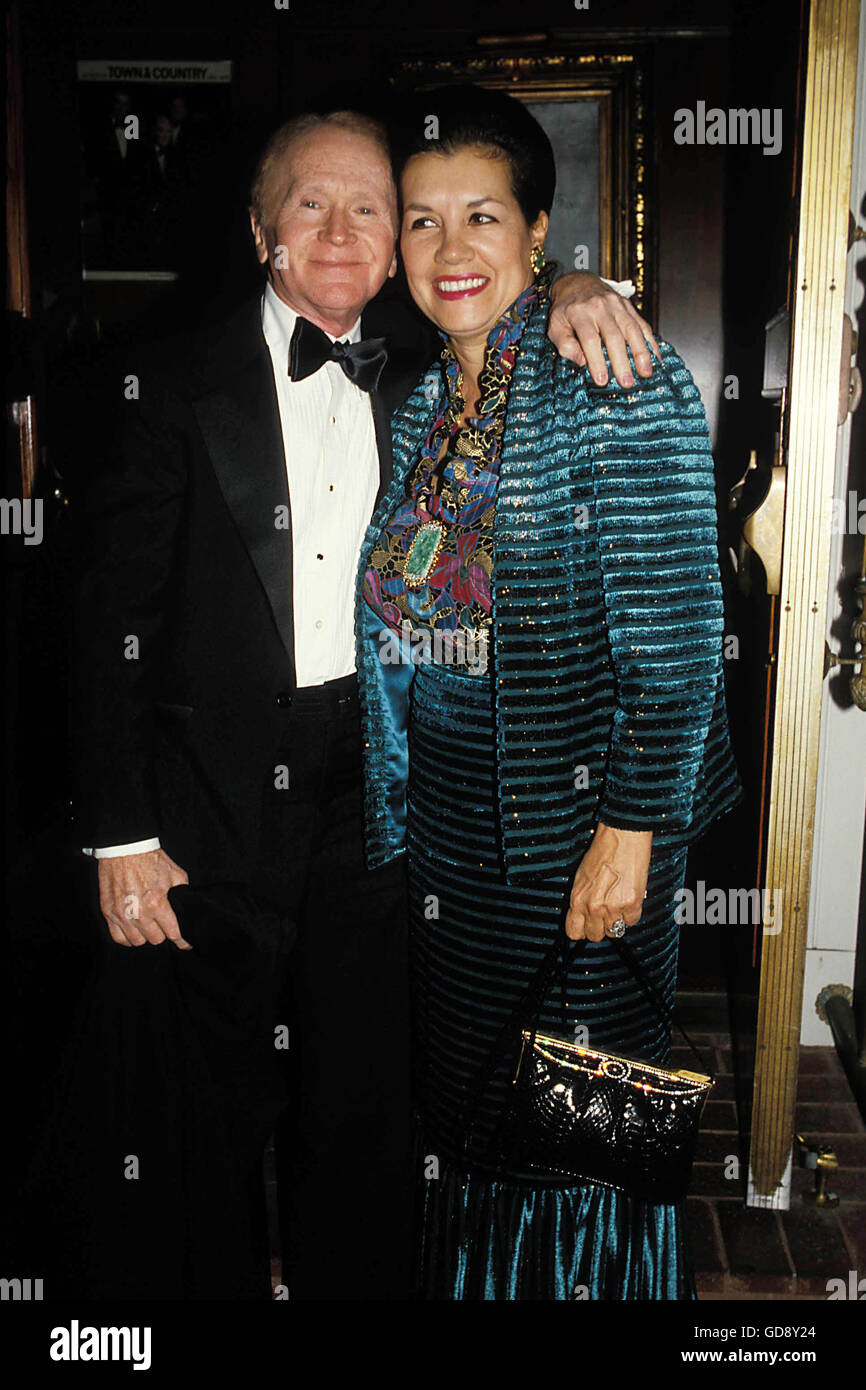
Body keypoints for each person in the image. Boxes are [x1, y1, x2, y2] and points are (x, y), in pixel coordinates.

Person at [67, 107, 662, 1301]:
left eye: (370, 209)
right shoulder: (163, 380)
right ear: (258, 231)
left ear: (394, 245)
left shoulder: (435, 365)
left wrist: (575, 281)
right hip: (205, 812)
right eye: (307, 204)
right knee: (204, 1124)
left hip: (391, 800)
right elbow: (98, 621)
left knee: (367, 1106)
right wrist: (118, 833)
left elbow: (496, 282)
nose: (341, 230)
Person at [357, 87, 741, 1300]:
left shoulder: (609, 376)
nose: (450, 249)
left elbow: (680, 637)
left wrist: (629, 833)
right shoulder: (425, 405)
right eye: (420, 222)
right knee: (474, 1115)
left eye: (481, 215)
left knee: (575, 1123)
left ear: (537, 234)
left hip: (580, 823)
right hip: (455, 840)